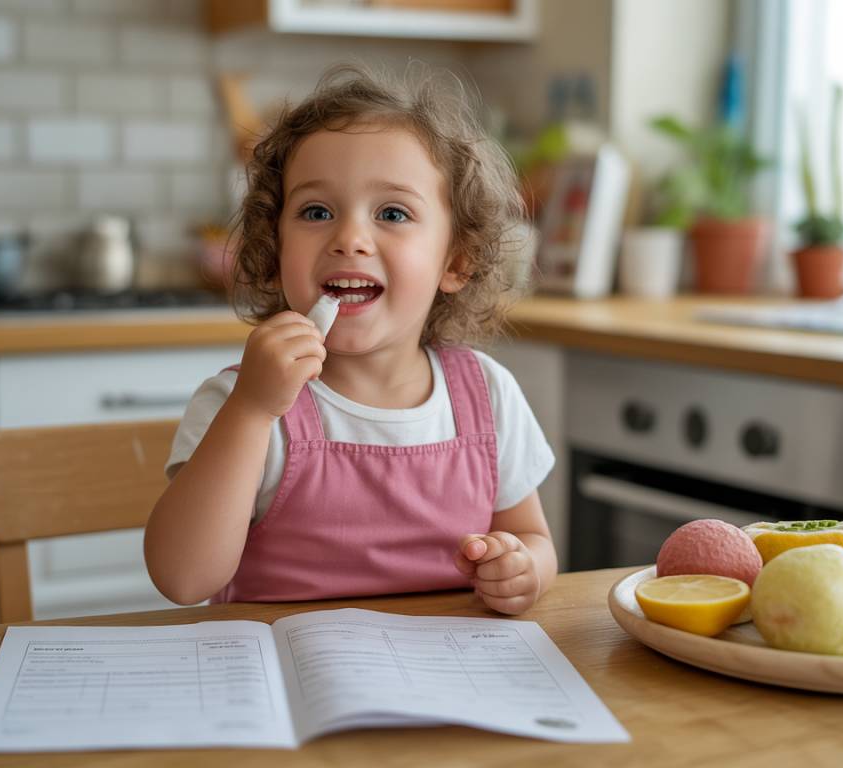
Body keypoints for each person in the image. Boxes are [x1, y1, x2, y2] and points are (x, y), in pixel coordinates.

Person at [145, 63, 556, 615]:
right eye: (317, 211)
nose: (350, 238)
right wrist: (252, 410)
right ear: (274, 250)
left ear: (455, 261)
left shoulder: (488, 395)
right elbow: (182, 578)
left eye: (392, 213)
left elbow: (534, 539)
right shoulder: (240, 404)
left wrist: (524, 569)